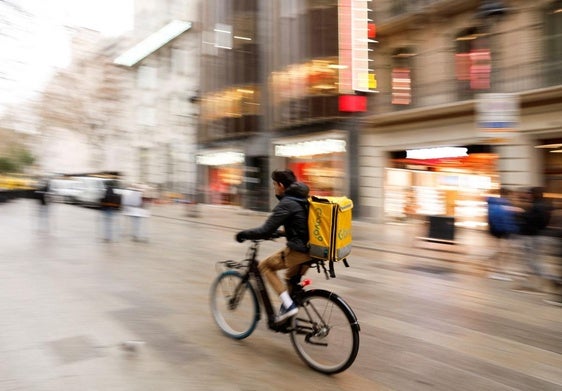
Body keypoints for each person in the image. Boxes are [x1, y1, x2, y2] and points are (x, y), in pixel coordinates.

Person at [235, 169, 310, 323]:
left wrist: (243, 234)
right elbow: (300, 225)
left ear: (281, 185)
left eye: (274, 185)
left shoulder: (287, 203)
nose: (274, 188)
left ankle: (289, 307)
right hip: (313, 250)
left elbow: (264, 230)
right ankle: (288, 316)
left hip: (299, 251)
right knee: (290, 278)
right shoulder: (302, 199)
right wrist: (281, 233)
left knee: (264, 266)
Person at [514, 186, 553, 291]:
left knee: (532, 262)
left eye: (529, 193)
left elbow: (532, 221)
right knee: (532, 261)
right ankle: (533, 283)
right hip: (537, 236)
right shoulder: (543, 205)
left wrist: (521, 214)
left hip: (532, 237)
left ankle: (552, 279)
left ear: (533, 194)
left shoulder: (537, 206)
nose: (527, 195)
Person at [486, 187, 519, 280]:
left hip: (500, 231)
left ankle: (498, 269)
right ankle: (498, 271)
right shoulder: (502, 204)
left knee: (503, 251)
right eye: (512, 195)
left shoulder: (497, 203)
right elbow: (505, 220)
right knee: (503, 252)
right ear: (507, 195)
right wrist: (513, 229)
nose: (513, 196)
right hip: (502, 231)